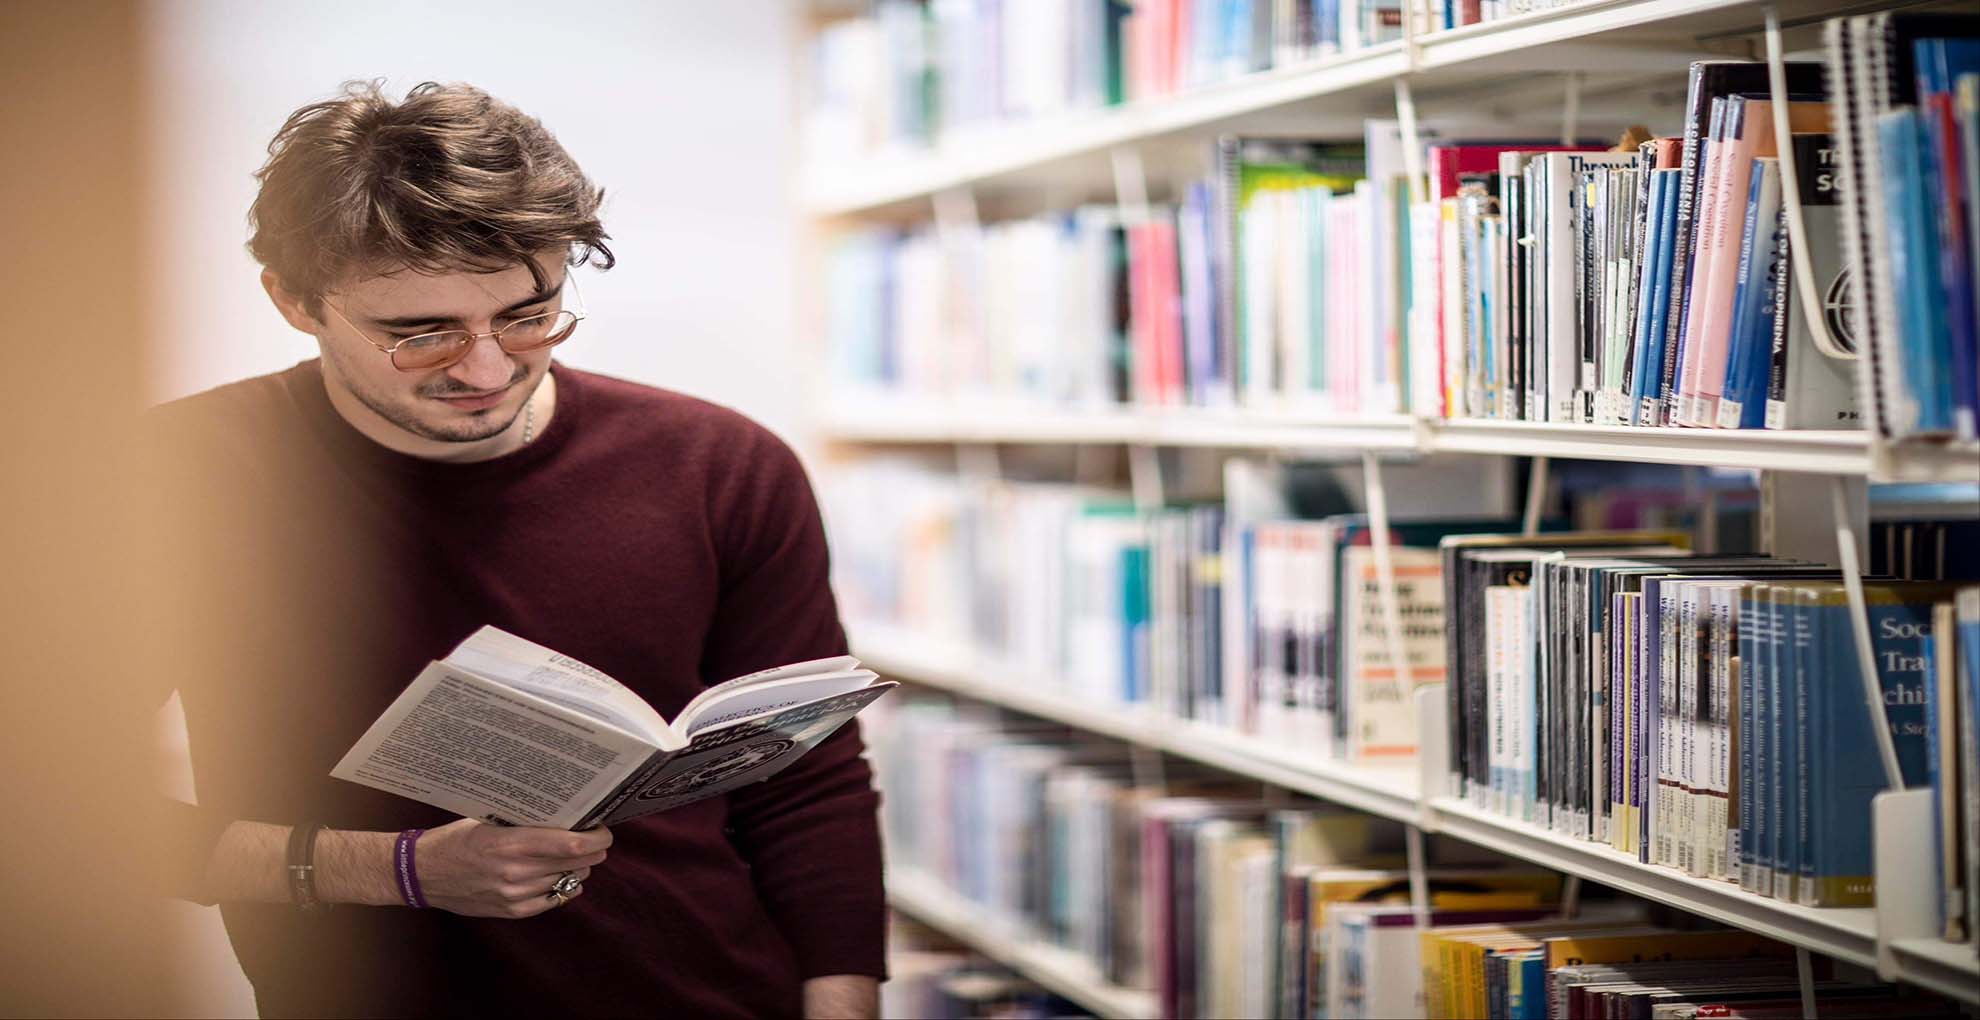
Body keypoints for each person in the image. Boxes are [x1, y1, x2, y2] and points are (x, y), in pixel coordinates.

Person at [153, 80, 884, 1019]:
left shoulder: (722, 466)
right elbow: (49, 807)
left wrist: (843, 1004)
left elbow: (808, 784)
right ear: (294, 301)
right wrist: (398, 871)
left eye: (529, 314)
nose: (486, 369)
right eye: (419, 335)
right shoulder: (170, 477)